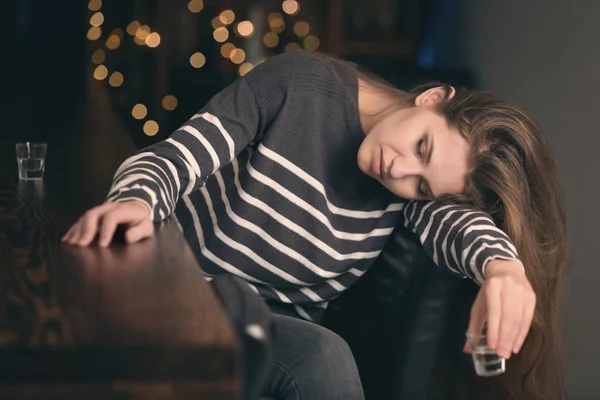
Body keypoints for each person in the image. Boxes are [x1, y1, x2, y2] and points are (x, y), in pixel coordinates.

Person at [62, 51, 568, 399]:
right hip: (172, 286)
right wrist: (136, 200)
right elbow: (176, 157)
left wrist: (504, 269)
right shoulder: (299, 85)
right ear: (432, 97)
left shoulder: (410, 194)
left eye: (422, 186)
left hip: (262, 333)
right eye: (421, 147)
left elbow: (460, 229)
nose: (400, 171)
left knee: (320, 352)